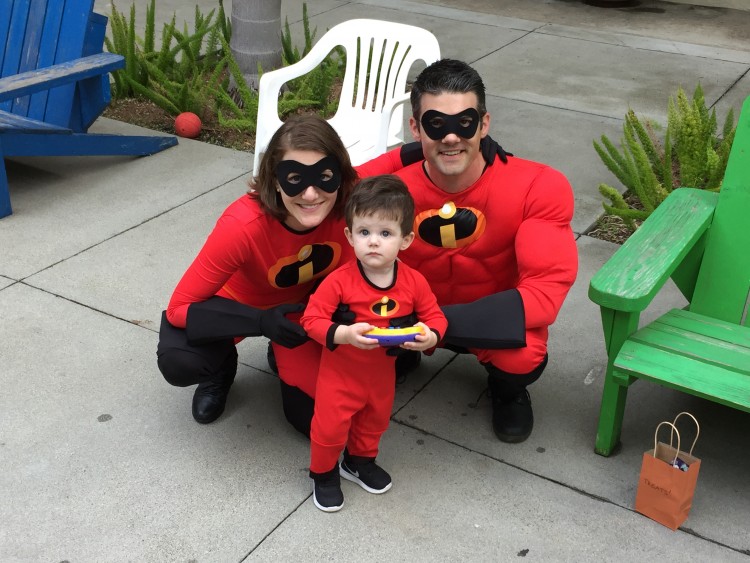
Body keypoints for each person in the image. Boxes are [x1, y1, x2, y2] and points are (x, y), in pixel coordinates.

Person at [156, 115, 411, 430]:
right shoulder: (242, 225)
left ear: (340, 174)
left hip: (301, 314)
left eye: (324, 176)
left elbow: (394, 160)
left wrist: (481, 149)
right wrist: (260, 322)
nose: (310, 194)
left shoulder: (348, 198)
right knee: (181, 360)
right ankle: (219, 369)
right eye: (294, 178)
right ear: (275, 180)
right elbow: (179, 309)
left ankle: (281, 353)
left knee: (324, 420)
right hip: (238, 308)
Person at [393, 58, 578, 443]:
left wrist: (436, 323)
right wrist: (404, 155)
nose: (450, 137)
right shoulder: (390, 186)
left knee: (523, 353)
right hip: (407, 312)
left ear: (485, 123)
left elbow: (544, 295)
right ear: (415, 127)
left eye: (465, 123)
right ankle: (399, 354)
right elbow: (328, 185)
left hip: (484, 319)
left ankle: (507, 389)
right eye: (435, 124)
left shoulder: (537, 186)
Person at [301, 176, 447, 512]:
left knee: (374, 421)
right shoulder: (339, 281)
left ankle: (358, 461)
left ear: (406, 239)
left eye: (386, 233)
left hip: (381, 375)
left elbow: (436, 317)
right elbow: (311, 320)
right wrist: (345, 334)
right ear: (350, 236)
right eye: (365, 233)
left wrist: (430, 335)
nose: (374, 243)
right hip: (340, 375)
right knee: (330, 427)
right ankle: (323, 473)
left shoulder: (413, 282)